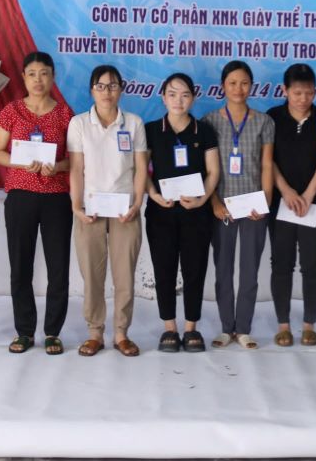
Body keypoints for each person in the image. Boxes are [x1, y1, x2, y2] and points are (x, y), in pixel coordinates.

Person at [0, 51, 74, 355]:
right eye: (32, 73)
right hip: (21, 196)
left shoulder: (65, 113)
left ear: (52, 77)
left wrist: (59, 167)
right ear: (23, 77)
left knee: (58, 267)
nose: (38, 80)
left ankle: (53, 331)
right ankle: (24, 331)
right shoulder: (12, 111)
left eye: (44, 73)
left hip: (55, 198)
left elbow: (74, 160)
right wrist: (18, 163)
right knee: (20, 265)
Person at [67, 65, 149, 357]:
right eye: (101, 86)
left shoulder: (134, 123)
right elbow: (76, 168)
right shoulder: (78, 124)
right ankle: (94, 333)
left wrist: (137, 203)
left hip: (125, 209)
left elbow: (140, 168)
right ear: (92, 90)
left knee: (124, 274)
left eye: (113, 85)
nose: (107, 91)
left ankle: (121, 333)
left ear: (121, 90)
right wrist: (76, 206)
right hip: (89, 209)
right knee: (92, 273)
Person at [144, 73, 220, 353]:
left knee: (194, 269)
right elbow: (142, 171)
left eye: (185, 94)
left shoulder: (205, 130)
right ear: (163, 97)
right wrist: (152, 194)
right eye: (172, 94)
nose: (179, 100)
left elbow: (213, 172)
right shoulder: (151, 130)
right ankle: (169, 328)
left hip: (196, 213)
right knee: (164, 269)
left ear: (193, 98)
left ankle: (190, 327)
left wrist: (203, 199)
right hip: (160, 212)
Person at [203, 60, 275, 349]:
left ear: (251, 86)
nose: (238, 88)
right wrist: (214, 203)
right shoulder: (209, 121)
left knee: (249, 269)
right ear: (223, 86)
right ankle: (225, 327)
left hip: (254, 207)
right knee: (223, 268)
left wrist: (266, 202)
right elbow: (207, 169)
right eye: (232, 83)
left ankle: (243, 328)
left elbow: (267, 165)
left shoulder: (263, 122)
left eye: (244, 83)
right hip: (222, 206)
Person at [267, 64, 316, 347]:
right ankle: (283, 324)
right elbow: (267, 159)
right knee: (281, 263)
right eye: (297, 93)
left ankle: (309, 324)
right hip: (281, 202)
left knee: (311, 264)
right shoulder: (273, 118)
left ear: (315, 92)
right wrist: (285, 190)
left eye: (309, 93)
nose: (303, 99)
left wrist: (308, 195)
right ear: (285, 91)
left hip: (314, 204)